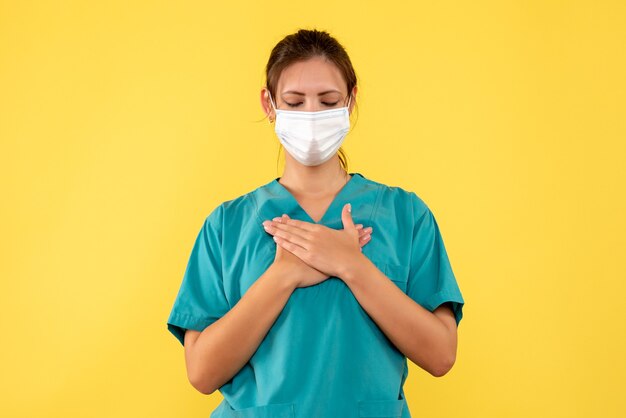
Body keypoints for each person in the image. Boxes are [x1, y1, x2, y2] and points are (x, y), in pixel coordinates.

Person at [167, 28, 465, 418]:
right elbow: (202, 372)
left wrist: (352, 266)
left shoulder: (405, 215)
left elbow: (441, 354)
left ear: (351, 101)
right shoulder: (227, 226)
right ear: (269, 104)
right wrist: (283, 275)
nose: (312, 115)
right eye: (294, 101)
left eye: (328, 101)